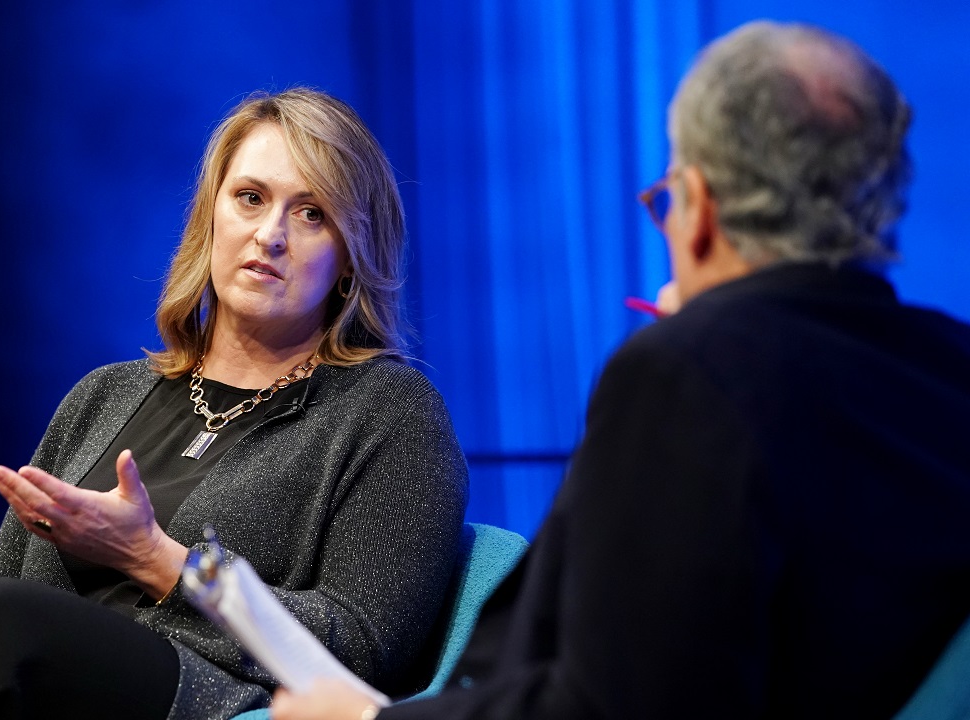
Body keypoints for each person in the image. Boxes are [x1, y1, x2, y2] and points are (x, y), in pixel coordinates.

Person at [270, 20, 970, 720]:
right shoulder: (951, 368)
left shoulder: (684, 378)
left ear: (697, 211)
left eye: (666, 201)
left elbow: (611, 708)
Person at [0, 88, 469, 720]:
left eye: (312, 213)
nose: (271, 235)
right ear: (212, 215)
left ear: (350, 256)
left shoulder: (390, 412)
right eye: (250, 198)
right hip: (33, 683)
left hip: (204, 702)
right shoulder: (105, 395)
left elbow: (364, 650)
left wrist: (159, 560)